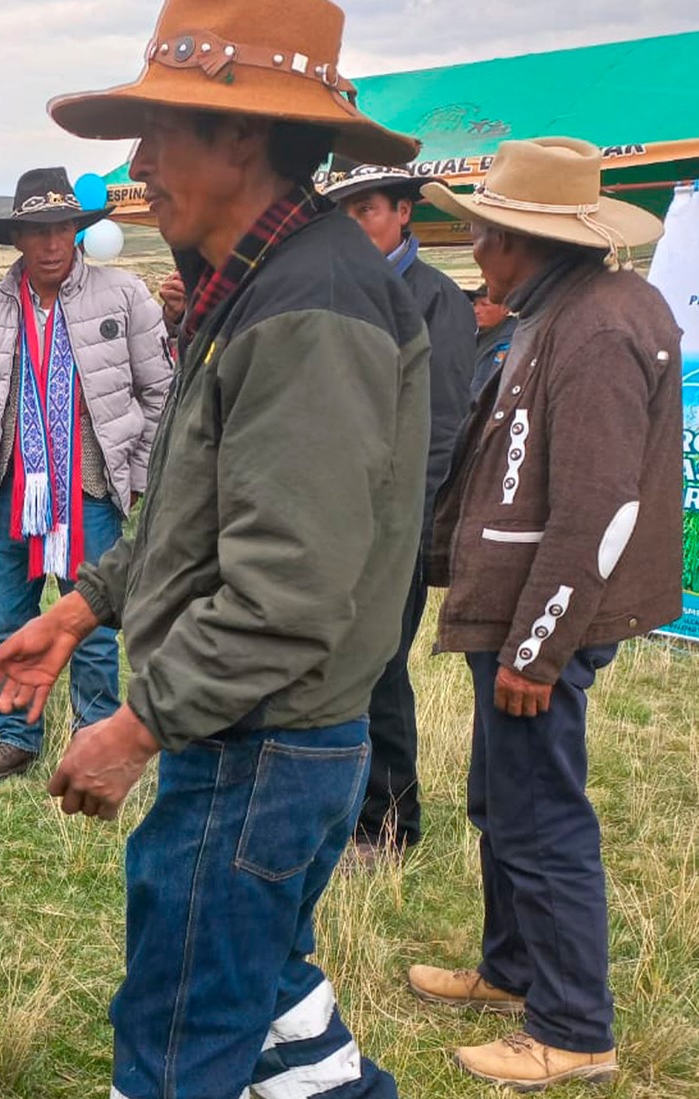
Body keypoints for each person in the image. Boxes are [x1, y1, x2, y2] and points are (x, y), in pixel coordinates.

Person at [0, 0, 436, 1099]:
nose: (136, 170)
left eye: (157, 134)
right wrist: (83, 606)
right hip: (278, 728)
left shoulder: (309, 308)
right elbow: (201, 515)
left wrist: (138, 722)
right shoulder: (270, 285)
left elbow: (286, 587)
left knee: (185, 986)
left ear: (242, 134)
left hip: (263, 733)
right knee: (257, 960)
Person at [411, 138, 679, 1091]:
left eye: (491, 233)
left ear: (533, 239)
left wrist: (538, 647)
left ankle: (571, 1030)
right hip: (524, 610)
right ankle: (511, 970)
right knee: (505, 800)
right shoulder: (565, 308)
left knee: (542, 817)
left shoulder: (597, 327)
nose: (477, 249)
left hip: (541, 620)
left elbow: (599, 503)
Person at [0, 167, 171, 783]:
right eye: (37, 231)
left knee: (94, 623)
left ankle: (92, 739)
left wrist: (139, 476)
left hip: (94, 489)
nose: (52, 244)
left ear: (78, 231)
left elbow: (160, 392)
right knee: (4, 623)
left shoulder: (123, 294)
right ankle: (16, 736)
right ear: (17, 239)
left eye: (63, 229)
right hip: (9, 491)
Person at [322, 163, 477, 864]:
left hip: (391, 531)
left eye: (367, 211)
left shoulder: (437, 300)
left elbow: (439, 431)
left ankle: (388, 824)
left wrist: (401, 536)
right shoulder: (335, 290)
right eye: (343, 212)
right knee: (331, 668)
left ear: (404, 214)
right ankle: (338, 806)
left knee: (379, 670)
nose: (354, 225)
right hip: (329, 519)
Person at [470, 284, 516, 400]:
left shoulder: (514, 341)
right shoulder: (474, 337)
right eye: (474, 304)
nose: (476, 310)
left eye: (484, 305)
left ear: (505, 308)